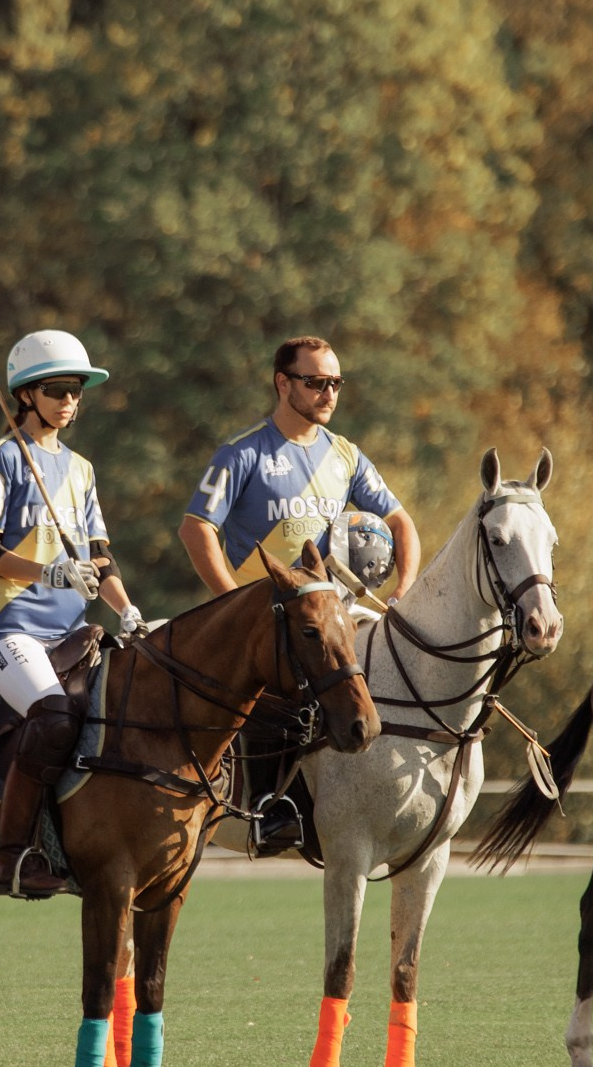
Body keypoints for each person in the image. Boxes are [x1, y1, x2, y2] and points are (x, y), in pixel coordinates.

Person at [178, 337, 418, 852]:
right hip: (267, 625)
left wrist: (405, 586)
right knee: (280, 695)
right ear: (283, 383)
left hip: (333, 615)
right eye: (316, 382)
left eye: (335, 383)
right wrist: (231, 603)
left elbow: (399, 520)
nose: (328, 392)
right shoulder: (242, 453)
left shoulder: (346, 455)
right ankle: (271, 810)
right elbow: (196, 528)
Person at [0, 330, 144, 899]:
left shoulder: (82, 470)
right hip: (7, 628)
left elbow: (99, 556)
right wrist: (47, 573)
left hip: (71, 632)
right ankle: (13, 855)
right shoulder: (1, 461)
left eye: (78, 390)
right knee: (54, 716)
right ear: (25, 395)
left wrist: (127, 610)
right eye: (58, 389)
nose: (70, 400)